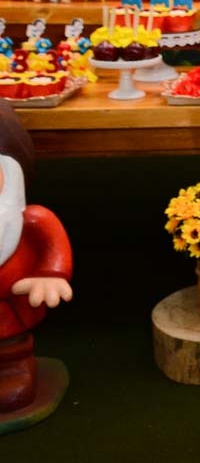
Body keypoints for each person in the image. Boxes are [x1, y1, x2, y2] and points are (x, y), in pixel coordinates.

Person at [0, 101, 73, 414]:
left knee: (9, 347)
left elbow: (52, 244)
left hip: (8, 308)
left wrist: (50, 275)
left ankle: (13, 371)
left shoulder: (29, 219)